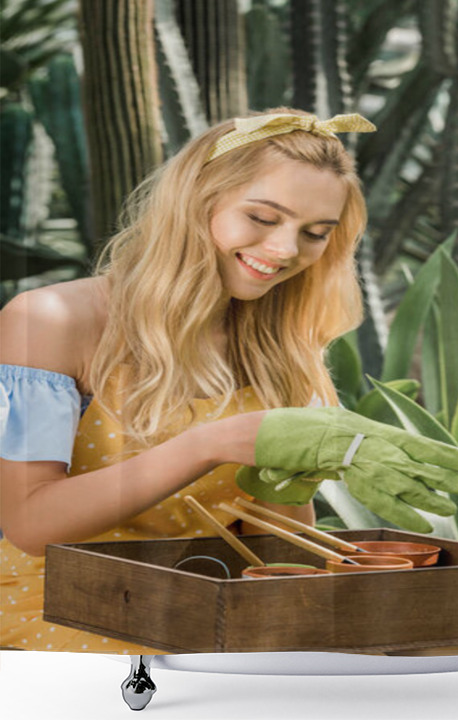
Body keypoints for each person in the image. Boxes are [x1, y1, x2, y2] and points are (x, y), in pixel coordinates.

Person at [0, 108, 376, 653]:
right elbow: (29, 523)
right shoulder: (49, 320)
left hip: (211, 606)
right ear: (196, 201)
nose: (286, 250)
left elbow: (276, 546)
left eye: (315, 233)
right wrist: (210, 444)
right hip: (63, 607)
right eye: (263, 218)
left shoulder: (282, 350)